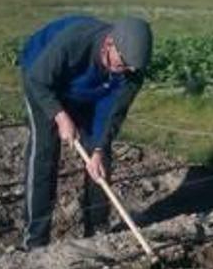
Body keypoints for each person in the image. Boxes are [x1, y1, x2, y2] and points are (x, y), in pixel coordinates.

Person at [19, 15, 152, 251]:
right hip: (43, 80)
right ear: (109, 43)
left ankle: (96, 230)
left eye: (130, 69)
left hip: (90, 94)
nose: (126, 72)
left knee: (100, 160)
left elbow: (112, 114)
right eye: (122, 65)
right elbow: (37, 81)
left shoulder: (132, 69)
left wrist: (99, 148)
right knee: (44, 153)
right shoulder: (75, 41)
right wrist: (60, 115)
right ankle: (35, 240)